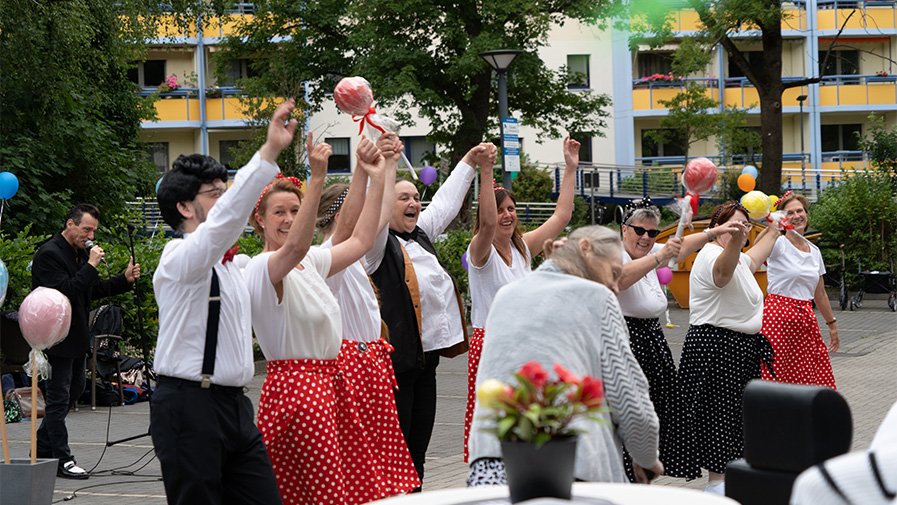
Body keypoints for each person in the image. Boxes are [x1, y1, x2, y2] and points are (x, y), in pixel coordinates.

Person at [151, 99, 298, 505]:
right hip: (188, 406)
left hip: (235, 407)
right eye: (215, 194)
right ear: (184, 207)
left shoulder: (236, 266)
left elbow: (296, 249)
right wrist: (268, 153)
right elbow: (222, 224)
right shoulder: (178, 258)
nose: (227, 200)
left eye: (225, 191)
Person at [245, 137, 388, 505]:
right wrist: (319, 178)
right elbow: (293, 246)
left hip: (325, 385)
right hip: (298, 390)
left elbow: (361, 239)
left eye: (295, 210)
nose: (289, 219)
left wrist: (376, 176)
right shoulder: (260, 267)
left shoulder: (310, 261)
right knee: (322, 495)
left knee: (329, 490)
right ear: (258, 221)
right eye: (279, 212)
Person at [467, 225, 663, 485]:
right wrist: (647, 458)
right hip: (567, 462)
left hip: (492, 459)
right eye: (614, 272)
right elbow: (629, 398)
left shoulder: (506, 294)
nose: (616, 287)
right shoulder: (598, 297)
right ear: (585, 249)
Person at [369, 142, 493, 488]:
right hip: (395, 367)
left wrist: (469, 160)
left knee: (418, 449)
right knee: (397, 451)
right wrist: (388, 165)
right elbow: (377, 216)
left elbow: (445, 204)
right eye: (403, 198)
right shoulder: (377, 246)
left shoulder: (420, 234)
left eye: (414, 197)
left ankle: (416, 494)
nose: (413, 203)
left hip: (426, 363)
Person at [315, 133, 421, 495]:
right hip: (347, 366)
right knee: (356, 465)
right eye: (357, 206)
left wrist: (389, 165)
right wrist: (370, 172)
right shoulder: (330, 253)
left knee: (379, 465)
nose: (368, 213)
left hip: (370, 364)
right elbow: (361, 224)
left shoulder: (357, 254)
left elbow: (375, 221)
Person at [462, 137, 578, 462]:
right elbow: (485, 223)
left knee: (527, 427)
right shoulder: (480, 252)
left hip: (525, 343)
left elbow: (562, 216)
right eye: (500, 210)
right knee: (496, 430)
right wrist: (486, 170)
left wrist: (570, 168)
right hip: (493, 344)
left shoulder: (522, 248)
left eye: (511, 209)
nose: (506, 215)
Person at [614, 197, 740, 479]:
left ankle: (642, 482)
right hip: (625, 343)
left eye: (652, 233)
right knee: (631, 422)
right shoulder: (614, 253)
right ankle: (626, 482)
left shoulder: (649, 251)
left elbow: (681, 247)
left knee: (656, 422)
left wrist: (714, 233)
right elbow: (619, 279)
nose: (646, 238)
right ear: (624, 229)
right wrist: (659, 255)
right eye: (639, 231)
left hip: (651, 343)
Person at [664, 200, 779, 494]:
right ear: (717, 229)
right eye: (733, 225)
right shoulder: (711, 254)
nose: (739, 230)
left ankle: (730, 485)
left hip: (741, 349)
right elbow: (721, 275)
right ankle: (717, 489)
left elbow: (753, 258)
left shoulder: (739, 258)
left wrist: (775, 229)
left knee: (739, 424)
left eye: (744, 224)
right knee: (720, 423)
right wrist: (736, 240)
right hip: (716, 349)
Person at [31, 204, 140, 479]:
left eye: (93, 230)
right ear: (70, 224)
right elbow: (67, 291)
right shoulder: (49, 254)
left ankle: (41, 448)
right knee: (58, 398)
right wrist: (91, 264)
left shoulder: (79, 254)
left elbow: (92, 289)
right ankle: (61, 458)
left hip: (77, 336)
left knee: (73, 391)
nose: (90, 235)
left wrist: (123, 280)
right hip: (56, 338)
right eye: (86, 229)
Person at [761, 191, 839, 389]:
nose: (796, 216)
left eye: (800, 210)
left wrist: (831, 324)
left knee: (810, 374)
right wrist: (772, 226)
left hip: (805, 318)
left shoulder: (814, 250)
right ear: (783, 218)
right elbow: (756, 245)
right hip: (778, 317)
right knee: (776, 373)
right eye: (790, 213)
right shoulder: (778, 243)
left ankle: (802, 417)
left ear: (806, 213)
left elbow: (819, 293)